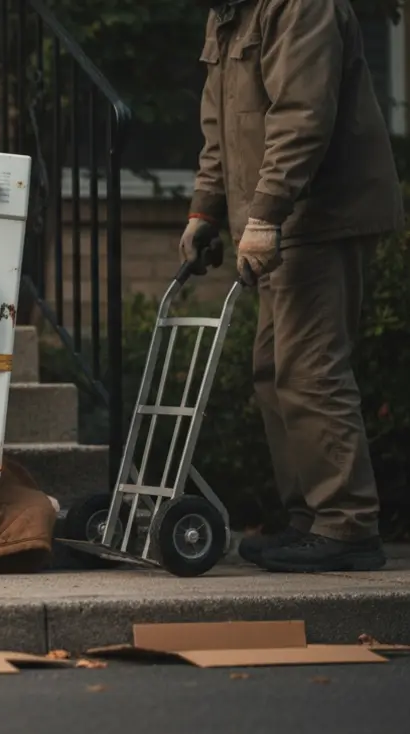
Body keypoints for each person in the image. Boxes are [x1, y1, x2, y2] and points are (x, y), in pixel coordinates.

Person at [181, 0, 403, 572]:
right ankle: (309, 520)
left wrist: (266, 214)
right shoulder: (228, 15)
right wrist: (204, 212)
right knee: (271, 370)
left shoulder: (302, 6)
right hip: (277, 218)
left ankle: (347, 524)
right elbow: (221, 128)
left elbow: (302, 115)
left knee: (309, 369)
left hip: (320, 216)